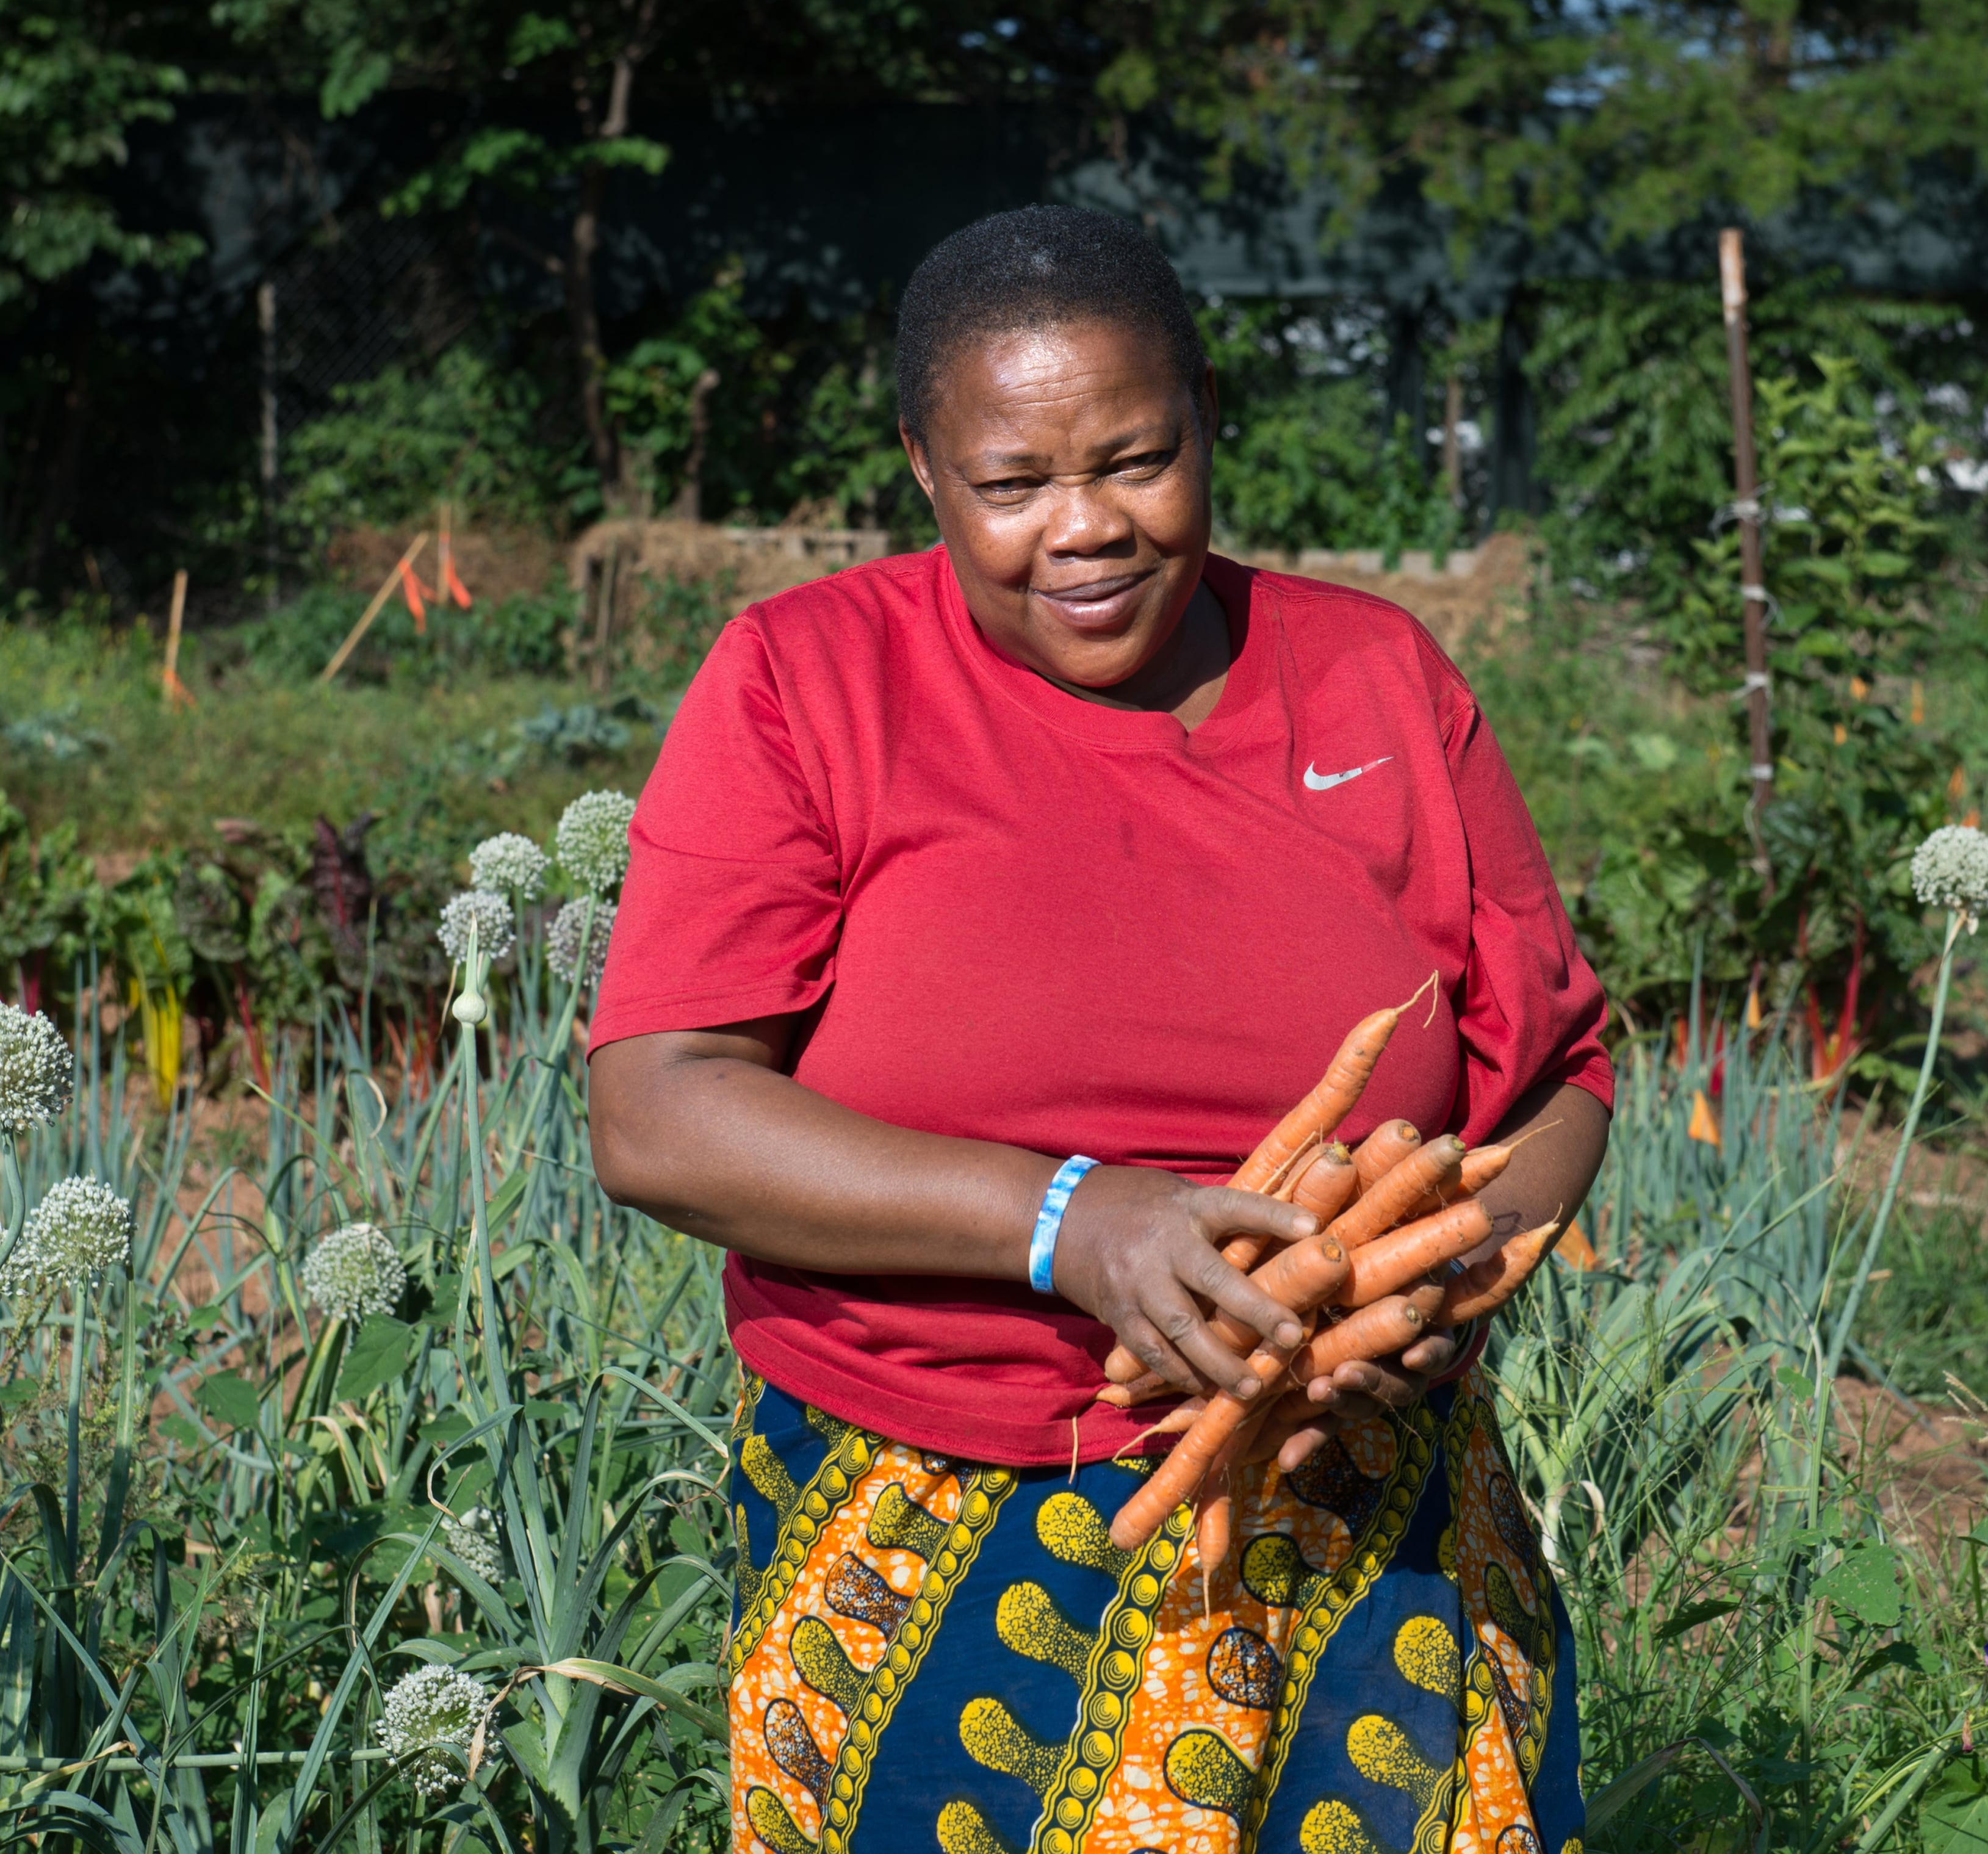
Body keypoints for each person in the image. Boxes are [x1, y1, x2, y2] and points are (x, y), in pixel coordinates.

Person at [588, 204, 1611, 1854]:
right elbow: (661, 1111)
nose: (1087, 530)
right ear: (925, 467)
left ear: (1208, 416)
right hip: (933, 1515)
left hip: (1368, 1504)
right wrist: (1071, 1220)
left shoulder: (1376, 679)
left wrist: (1453, 1271)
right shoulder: (809, 680)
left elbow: (1554, 1074)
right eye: (1013, 486)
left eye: (1138, 460)